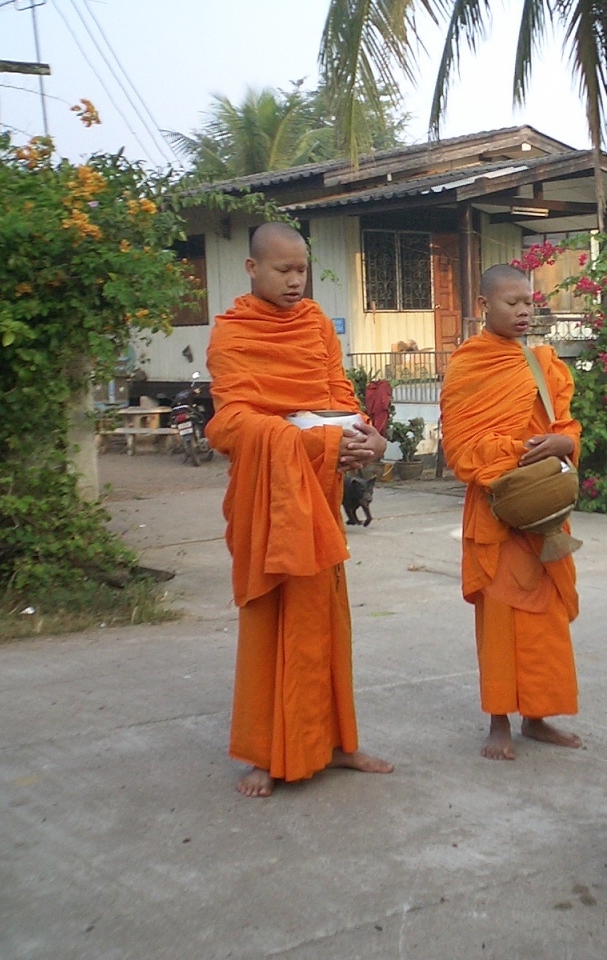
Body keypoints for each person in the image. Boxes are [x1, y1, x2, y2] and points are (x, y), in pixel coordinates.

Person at [205, 221, 393, 797]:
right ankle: (264, 753)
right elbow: (232, 423)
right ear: (253, 269)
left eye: (302, 270)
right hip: (270, 497)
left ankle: (336, 743)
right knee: (270, 620)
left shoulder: (314, 325)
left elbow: (337, 395)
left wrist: (363, 435)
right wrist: (310, 439)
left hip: (319, 492)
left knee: (326, 624)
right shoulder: (231, 335)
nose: (294, 281)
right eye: (283, 270)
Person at [439, 264, 583, 760]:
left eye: (529, 302)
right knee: (499, 617)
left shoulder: (543, 363)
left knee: (545, 618)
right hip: (497, 512)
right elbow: (459, 447)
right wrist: (518, 456)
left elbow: (565, 426)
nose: (524, 311)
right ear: (483, 307)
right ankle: (499, 720)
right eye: (511, 303)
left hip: (543, 511)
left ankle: (537, 717)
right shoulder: (467, 366)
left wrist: (564, 440)